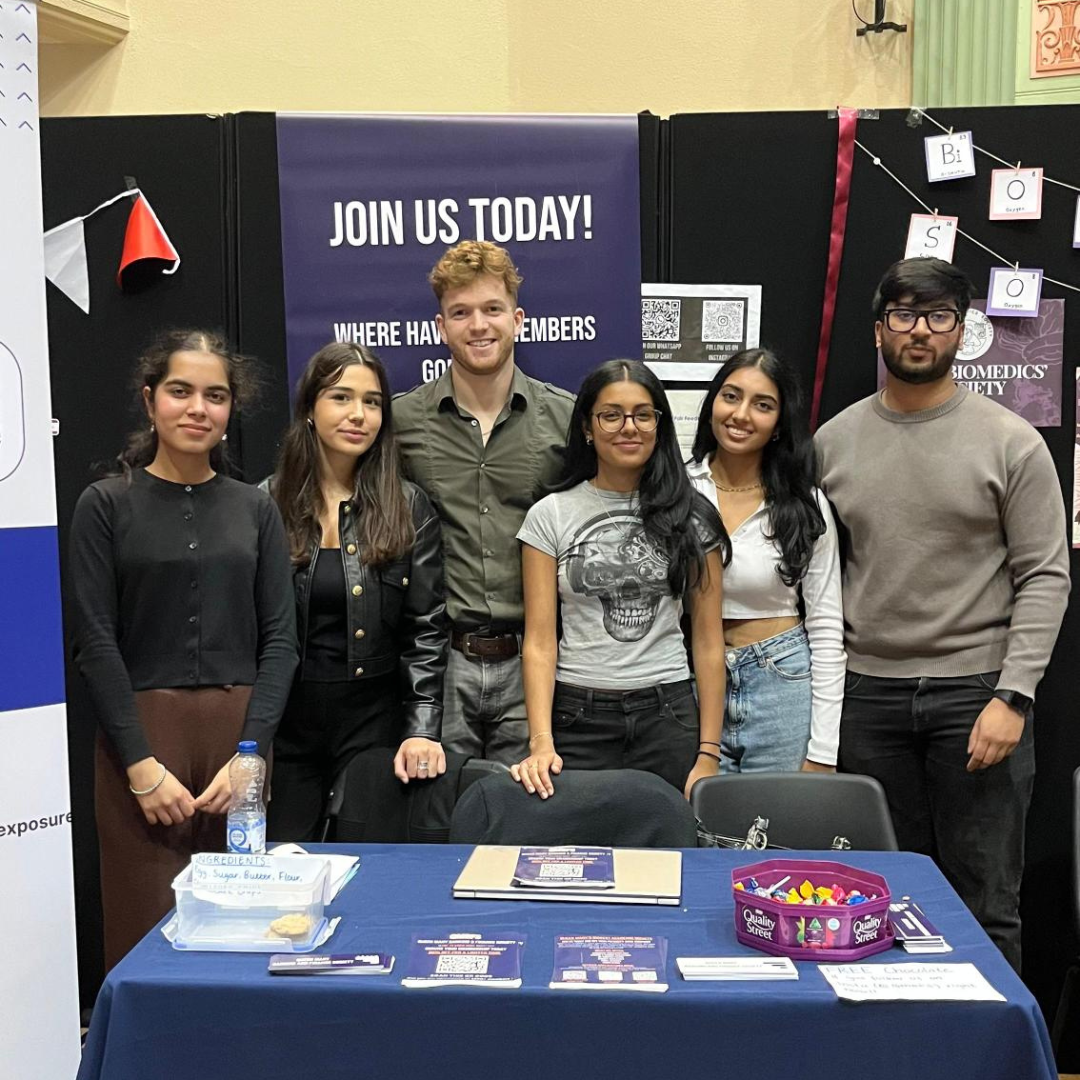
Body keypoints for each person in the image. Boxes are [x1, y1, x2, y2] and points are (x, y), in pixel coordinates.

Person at [815, 258, 1069, 972]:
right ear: (877, 330)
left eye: (937, 317)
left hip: (977, 698)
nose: (919, 331)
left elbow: (1046, 576)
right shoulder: (831, 444)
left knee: (985, 902)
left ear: (963, 331)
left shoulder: (1010, 441)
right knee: (873, 901)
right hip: (866, 701)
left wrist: (1012, 696)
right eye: (903, 314)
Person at [69, 329, 298, 969]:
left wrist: (250, 759)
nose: (198, 408)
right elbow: (95, 641)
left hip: (240, 748)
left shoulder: (256, 509)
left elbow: (281, 641)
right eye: (180, 391)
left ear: (230, 411)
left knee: (243, 936)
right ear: (150, 401)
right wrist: (140, 766)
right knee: (145, 943)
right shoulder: (105, 505)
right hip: (140, 745)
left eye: (215, 395)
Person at [511, 359, 728, 799]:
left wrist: (708, 752)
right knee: (580, 856)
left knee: (668, 854)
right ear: (588, 428)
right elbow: (538, 641)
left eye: (643, 414)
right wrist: (541, 740)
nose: (628, 427)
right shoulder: (549, 516)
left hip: (668, 715)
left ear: (658, 426)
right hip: (576, 716)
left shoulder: (692, 516)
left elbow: (707, 640)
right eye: (611, 414)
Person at [394, 240, 575, 765]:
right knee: (440, 818)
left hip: (536, 661)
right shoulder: (403, 422)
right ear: (440, 326)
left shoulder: (565, 419)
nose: (478, 325)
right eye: (461, 312)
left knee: (526, 819)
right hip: (441, 664)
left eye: (492, 309)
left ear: (517, 319)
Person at [265, 343, 447, 842]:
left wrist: (421, 729)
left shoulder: (409, 506)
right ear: (309, 409)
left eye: (372, 402)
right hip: (288, 723)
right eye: (341, 397)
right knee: (284, 863)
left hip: (374, 718)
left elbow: (426, 630)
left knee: (368, 865)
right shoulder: (264, 504)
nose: (358, 415)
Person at [686, 349, 845, 772]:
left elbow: (827, 628)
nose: (740, 415)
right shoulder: (678, 491)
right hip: (693, 680)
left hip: (783, 679)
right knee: (703, 828)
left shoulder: (804, 505)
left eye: (762, 405)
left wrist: (823, 751)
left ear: (779, 424)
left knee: (778, 829)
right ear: (712, 404)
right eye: (730, 396)